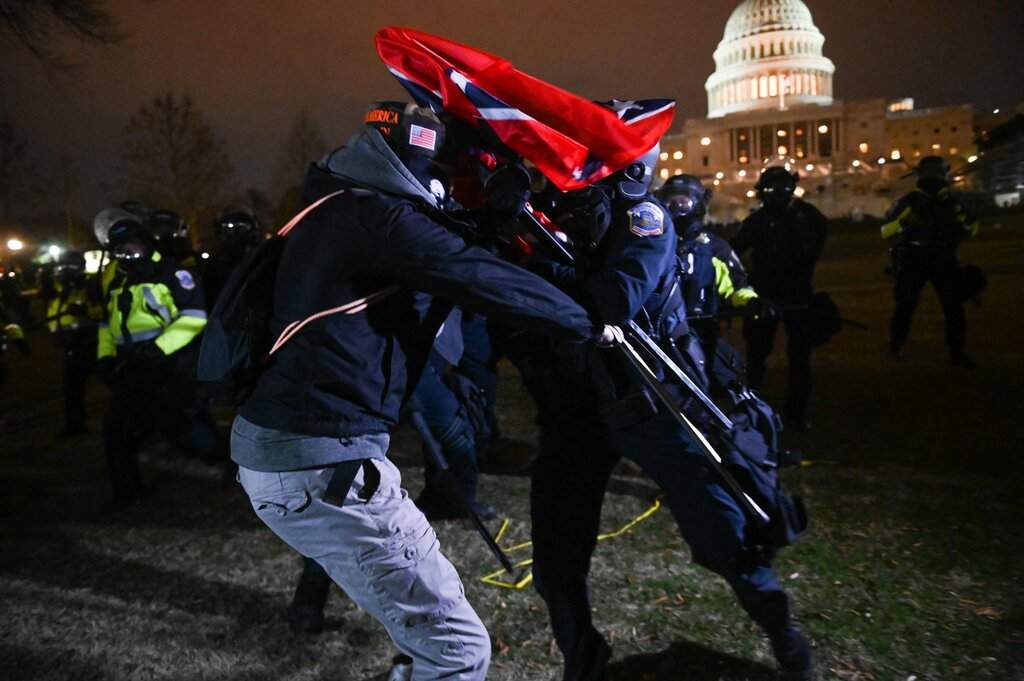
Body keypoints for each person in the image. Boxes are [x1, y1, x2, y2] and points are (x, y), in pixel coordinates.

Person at [230, 101, 602, 680]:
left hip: (298, 455)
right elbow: (471, 272)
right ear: (408, 169)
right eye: (438, 174)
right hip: (322, 464)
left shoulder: (338, 208)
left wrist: (492, 222)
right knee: (456, 653)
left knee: (430, 641)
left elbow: (444, 243)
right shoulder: (375, 218)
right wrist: (592, 320)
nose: (445, 189)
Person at [526, 142, 812, 681]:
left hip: (654, 403)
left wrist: (541, 270)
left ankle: (785, 639)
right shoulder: (549, 221)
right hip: (575, 411)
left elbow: (612, 299)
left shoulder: (644, 218)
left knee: (726, 535)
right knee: (556, 560)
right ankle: (583, 661)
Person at [93, 208, 217, 507]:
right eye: (120, 250)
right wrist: (105, 357)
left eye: (133, 246)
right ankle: (127, 491)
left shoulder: (174, 273)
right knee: (115, 429)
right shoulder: (115, 280)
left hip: (168, 364)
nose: (128, 254)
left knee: (181, 428)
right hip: (131, 365)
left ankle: (231, 463)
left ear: (146, 242)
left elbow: (194, 318)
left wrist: (157, 349)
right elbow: (107, 323)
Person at [731, 167, 826, 431]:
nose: (779, 196)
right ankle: (751, 408)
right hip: (765, 297)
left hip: (798, 297)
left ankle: (795, 414)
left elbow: (817, 243)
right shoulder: (757, 221)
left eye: (784, 189)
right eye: (773, 190)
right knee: (757, 357)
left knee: (799, 359)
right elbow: (734, 250)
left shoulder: (807, 217)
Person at [657, 174, 766, 383]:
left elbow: (736, 287)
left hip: (702, 333)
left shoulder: (714, 248)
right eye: (670, 200)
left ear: (699, 203)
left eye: (683, 201)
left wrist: (753, 302)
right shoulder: (654, 245)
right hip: (659, 336)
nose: (677, 207)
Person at [881, 156, 979, 367]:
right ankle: (895, 346)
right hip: (913, 258)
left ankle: (956, 350)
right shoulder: (908, 202)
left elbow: (972, 228)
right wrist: (903, 222)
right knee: (905, 307)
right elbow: (885, 231)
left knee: (953, 307)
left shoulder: (953, 203)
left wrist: (960, 229)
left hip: (944, 258)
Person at [39, 251, 102, 436]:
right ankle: (74, 426)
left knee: (114, 383)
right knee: (71, 390)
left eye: (70, 267)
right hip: (68, 346)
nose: (65, 271)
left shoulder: (90, 286)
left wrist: (86, 310)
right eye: (62, 267)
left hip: (90, 343)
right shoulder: (56, 288)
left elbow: (104, 312)